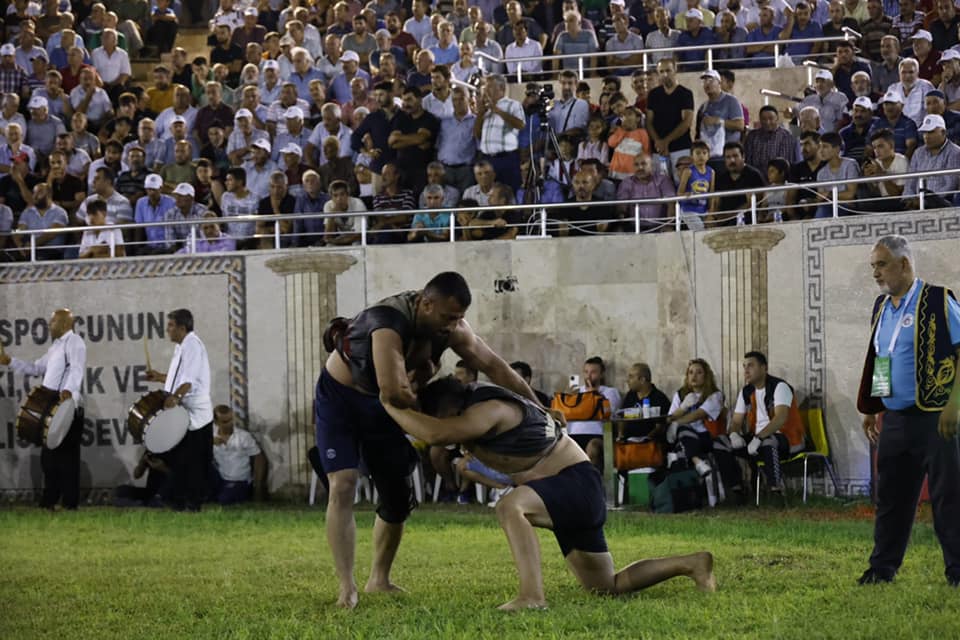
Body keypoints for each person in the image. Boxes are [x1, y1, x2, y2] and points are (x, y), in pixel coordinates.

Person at [381, 376, 717, 610]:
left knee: (510, 507)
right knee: (607, 586)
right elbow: (435, 432)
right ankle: (692, 564)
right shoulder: (477, 411)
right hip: (568, 490)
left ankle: (532, 596)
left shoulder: (487, 409)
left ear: (451, 409)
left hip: (574, 483)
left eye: (438, 415)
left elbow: (436, 434)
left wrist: (388, 404)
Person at [316, 272, 548, 609]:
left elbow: (496, 366)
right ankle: (346, 587)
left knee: (397, 496)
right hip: (342, 399)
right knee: (343, 485)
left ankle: (379, 579)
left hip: (388, 405)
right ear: (425, 304)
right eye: (447, 317)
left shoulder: (452, 327)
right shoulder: (386, 323)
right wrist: (421, 381)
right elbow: (394, 393)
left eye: (458, 319)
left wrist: (538, 407)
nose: (452, 326)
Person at [856, 235, 960, 587]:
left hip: (937, 419)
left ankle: (957, 571)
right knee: (891, 499)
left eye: (881, 265)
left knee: (949, 498)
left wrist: (953, 405)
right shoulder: (881, 308)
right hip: (895, 419)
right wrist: (873, 407)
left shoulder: (938, 299)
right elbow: (881, 359)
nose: (876, 273)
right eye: (873, 266)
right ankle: (882, 569)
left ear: (904, 264)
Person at [0, 308, 86, 510]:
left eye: (53, 321)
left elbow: (77, 368)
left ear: (65, 324)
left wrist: (68, 389)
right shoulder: (55, 347)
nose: (49, 325)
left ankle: (69, 504)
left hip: (67, 407)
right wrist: (9, 361)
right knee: (49, 460)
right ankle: (49, 501)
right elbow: (36, 368)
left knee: (67, 459)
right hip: (51, 407)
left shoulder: (75, 342)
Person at [145, 309, 213, 512]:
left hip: (195, 414)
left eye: (171, 326)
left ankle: (193, 503)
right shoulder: (182, 346)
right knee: (181, 459)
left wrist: (175, 397)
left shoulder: (192, 344)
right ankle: (180, 500)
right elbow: (179, 377)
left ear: (182, 328)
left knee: (192, 461)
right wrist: (160, 377)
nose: (168, 330)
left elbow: (189, 380)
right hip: (185, 410)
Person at [714, 351, 805, 500]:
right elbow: (736, 421)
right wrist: (734, 434)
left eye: (751, 365)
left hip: (787, 439)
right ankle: (737, 489)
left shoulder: (779, 387)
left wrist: (758, 438)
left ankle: (776, 491)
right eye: (744, 366)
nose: (746, 370)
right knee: (720, 443)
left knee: (769, 441)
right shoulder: (746, 391)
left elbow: (781, 418)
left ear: (764, 368)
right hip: (757, 440)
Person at [664, 358, 724, 481]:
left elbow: (698, 415)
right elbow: (669, 418)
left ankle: (696, 464)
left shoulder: (715, 395)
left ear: (706, 376)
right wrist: (683, 407)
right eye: (690, 372)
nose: (694, 376)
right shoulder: (680, 394)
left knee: (681, 431)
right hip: (685, 438)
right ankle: (697, 465)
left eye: (699, 372)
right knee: (681, 445)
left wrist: (676, 423)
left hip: (705, 436)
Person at [566, 356, 622, 470]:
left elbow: (609, 413)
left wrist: (594, 396)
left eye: (593, 372)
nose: (588, 376)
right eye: (586, 372)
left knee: (593, 448)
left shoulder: (610, 392)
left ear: (601, 374)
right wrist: (567, 398)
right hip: (573, 436)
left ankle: (590, 484)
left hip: (597, 436)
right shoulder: (576, 392)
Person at [210, 405, 266, 504]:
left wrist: (258, 487)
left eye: (231, 419)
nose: (229, 424)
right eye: (225, 422)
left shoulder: (243, 436)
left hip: (239, 480)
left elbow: (259, 458)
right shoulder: (211, 436)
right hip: (219, 478)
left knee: (224, 500)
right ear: (216, 422)